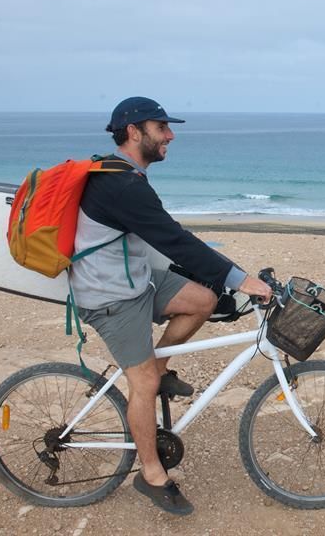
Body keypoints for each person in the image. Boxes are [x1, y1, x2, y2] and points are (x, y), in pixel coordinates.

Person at [70, 96, 272, 515]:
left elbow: (161, 238)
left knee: (204, 299)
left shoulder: (126, 174)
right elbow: (174, 238)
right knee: (140, 384)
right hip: (111, 297)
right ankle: (151, 474)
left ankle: (159, 371)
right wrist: (243, 279)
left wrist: (218, 280)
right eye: (161, 128)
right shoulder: (121, 184)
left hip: (136, 278)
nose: (171, 135)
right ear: (133, 132)